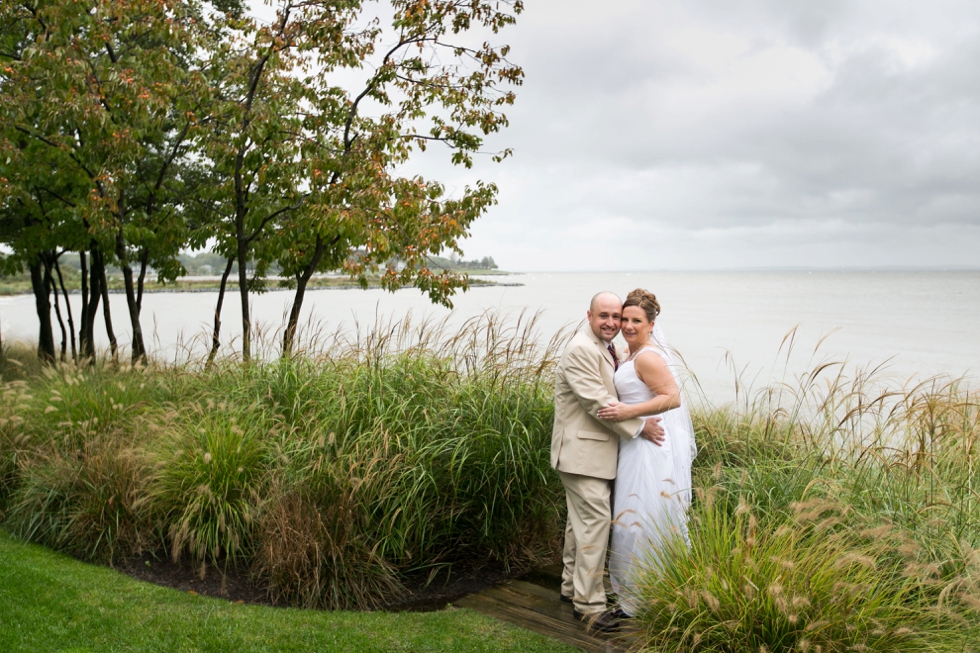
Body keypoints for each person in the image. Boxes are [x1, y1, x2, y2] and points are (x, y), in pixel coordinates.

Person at [551, 291, 666, 633]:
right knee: (595, 522)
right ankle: (589, 606)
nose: (613, 323)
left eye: (617, 316)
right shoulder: (580, 350)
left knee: (580, 524)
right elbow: (597, 403)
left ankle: (571, 588)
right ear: (589, 315)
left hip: (592, 454)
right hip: (580, 454)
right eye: (605, 316)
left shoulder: (606, 347)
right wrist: (640, 425)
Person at [597, 288, 697, 617]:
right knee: (634, 517)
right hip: (635, 444)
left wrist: (628, 413)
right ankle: (643, 592)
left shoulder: (648, 356)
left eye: (635, 320)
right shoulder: (632, 353)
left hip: (648, 450)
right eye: (624, 319)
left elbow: (672, 397)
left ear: (651, 324)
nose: (627, 325)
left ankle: (636, 600)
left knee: (640, 518)